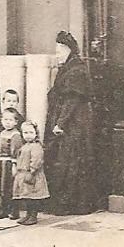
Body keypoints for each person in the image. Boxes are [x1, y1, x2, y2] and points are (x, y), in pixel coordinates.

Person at [44, 30, 96, 215]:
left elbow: (71, 101)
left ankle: (71, 204)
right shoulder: (69, 68)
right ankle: (68, 203)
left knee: (71, 162)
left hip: (74, 125)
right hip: (70, 124)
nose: (57, 54)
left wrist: (60, 124)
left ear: (68, 50)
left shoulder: (76, 71)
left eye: (59, 50)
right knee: (67, 162)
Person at [12, 119, 50, 225]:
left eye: (31, 132)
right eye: (25, 133)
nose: (28, 135)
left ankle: (33, 216)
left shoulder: (36, 146)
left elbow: (37, 161)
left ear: (36, 133)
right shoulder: (25, 146)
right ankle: (28, 215)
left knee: (34, 197)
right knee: (27, 196)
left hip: (32, 175)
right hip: (23, 174)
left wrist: (31, 171)